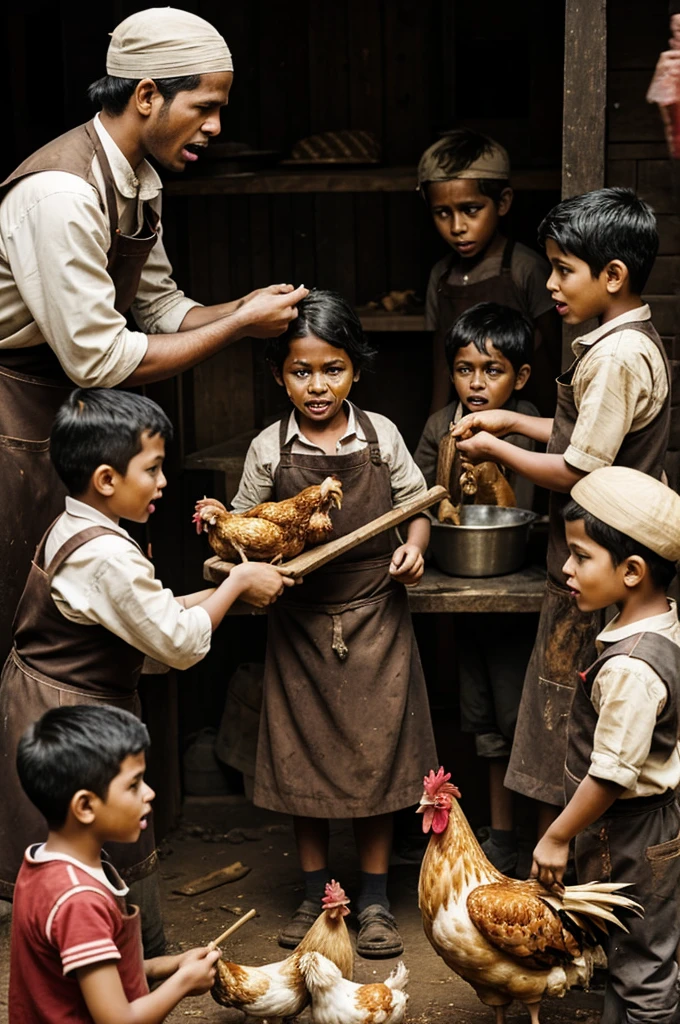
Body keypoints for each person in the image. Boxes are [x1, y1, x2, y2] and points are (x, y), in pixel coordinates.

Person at [0, 5, 307, 663]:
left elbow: (163, 308)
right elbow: (100, 358)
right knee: (31, 611)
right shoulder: (61, 194)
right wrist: (236, 328)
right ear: (146, 96)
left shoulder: (140, 181)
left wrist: (241, 307)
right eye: (204, 106)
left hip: (75, 413)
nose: (217, 126)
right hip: (16, 416)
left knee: (103, 602)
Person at [0, 389, 292, 947]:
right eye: (153, 469)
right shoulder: (107, 555)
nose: (163, 482)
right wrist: (234, 584)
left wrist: (203, 596)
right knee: (101, 846)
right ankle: (134, 965)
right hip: (74, 717)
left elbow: (143, 615)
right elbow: (177, 644)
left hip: (46, 703)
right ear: (107, 479)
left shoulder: (79, 525)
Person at [451, 187, 670, 843]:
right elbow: (586, 438)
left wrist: (494, 446)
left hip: (600, 566)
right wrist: (515, 418)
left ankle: (559, 871)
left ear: (613, 276)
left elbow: (579, 469)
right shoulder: (623, 341)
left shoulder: (614, 356)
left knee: (571, 720)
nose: (549, 283)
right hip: (602, 558)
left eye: (562, 269)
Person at [227, 289, 437, 958]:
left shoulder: (382, 436)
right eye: (300, 371)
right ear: (278, 374)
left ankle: (373, 901)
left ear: (355, 369)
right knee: (304, 766)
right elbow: (241, 528)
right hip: (299, 623)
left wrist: (415, 548)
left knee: (376, 764)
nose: (318, 386)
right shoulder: (269, 446)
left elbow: (418, 505)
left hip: (376, 616)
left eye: (333, 369)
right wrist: (248, 566)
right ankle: (318, 894)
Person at [532, 466, 680, 1024]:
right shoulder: (657, 626)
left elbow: (613, 774)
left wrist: (556, 835)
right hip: (636, 830)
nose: (567, 568)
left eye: (580, 555)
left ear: (633, 570)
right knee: (628, 955)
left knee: (642, 967)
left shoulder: (630, 669)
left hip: (633, 836)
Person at [414, 301, 539, 874]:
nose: (477, 383)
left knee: (523, 719)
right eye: (465, 369)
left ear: (521, 378)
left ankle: (537, 839)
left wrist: (493, 465)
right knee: (484, 719)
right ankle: (503, 835)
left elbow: (534, 509)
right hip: (462, 590)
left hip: (524, 597)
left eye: (493, 371)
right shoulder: (440, 426)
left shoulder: (533, 423)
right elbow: (418, 497)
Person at [10, 704, 221, 1024]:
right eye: (134, 784)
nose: (149, 793)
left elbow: (99, 970)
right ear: (85, 806)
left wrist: (174, 964)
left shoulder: (45, 864)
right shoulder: (79, 900)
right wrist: (184, 983)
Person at [417, 128, 560, 416]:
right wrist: (435, 428)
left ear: (503, 202)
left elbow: (558, 353)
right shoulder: (442, 276)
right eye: (442, 213)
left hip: (530, 419)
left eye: (471, 210)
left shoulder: (526, 270)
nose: (457, 227)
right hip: (466, 420)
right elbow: (441, 366)